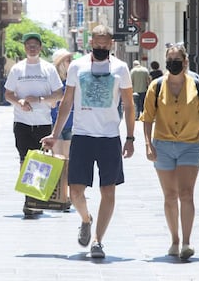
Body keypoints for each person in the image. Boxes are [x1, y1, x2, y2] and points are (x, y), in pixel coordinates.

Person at [41, 24, 135, 259]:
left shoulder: (121, 68)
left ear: (111, 44)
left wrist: (131, 137)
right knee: (75, 191)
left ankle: (98, 240)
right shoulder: (77, 66)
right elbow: (67, 103)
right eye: (97, 44)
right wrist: (55, 134)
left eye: (106, 44)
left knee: (108, 190)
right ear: (91, 42)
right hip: (82, 136)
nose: (101, 48)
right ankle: (86, 218)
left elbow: (129, 105)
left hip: (109, 137)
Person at [139, 43, 199, 260]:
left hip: (189, 145)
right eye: (170, 60)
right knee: (170, 195)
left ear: (185, 62)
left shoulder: (196, 85)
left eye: (177, 60)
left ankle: (187, 242)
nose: (173, 63)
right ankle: (174, 240)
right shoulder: (156, 86)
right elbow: (148, 116)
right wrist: (148, 145)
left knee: (186, 194)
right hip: (163, 145)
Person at [4, 32, 63, 218]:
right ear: (24, 48)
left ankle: (34, 199)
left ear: (40, 48)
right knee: (24, 159)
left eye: (35, 45)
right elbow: (8, 94)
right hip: (21, 121)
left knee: (40, 160)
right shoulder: (17, 69)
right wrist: (19, 102)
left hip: (43, 122)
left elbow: (59, 94)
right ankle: (29, 198)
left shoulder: (48, 69)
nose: (32, 48)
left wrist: (39, 99)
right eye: (28, 45)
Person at [51, 49, 73, 208]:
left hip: (72, 123)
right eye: (67, 60)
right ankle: (60, 195)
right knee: (57, 159)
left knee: (68, 161)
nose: (70, 63)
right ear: (60, 63)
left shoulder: (74, 78)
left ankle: (66, 194)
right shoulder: (53, 80)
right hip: (55, 124)